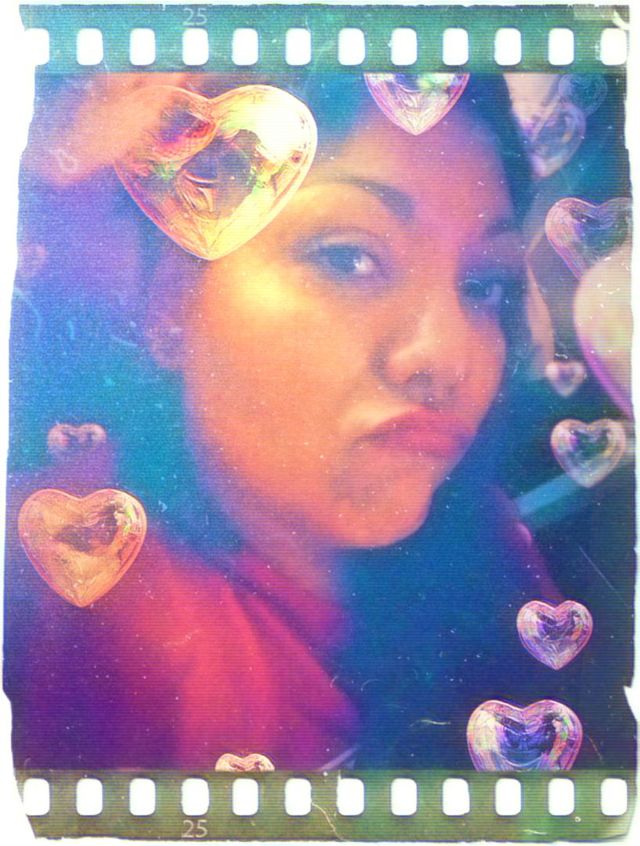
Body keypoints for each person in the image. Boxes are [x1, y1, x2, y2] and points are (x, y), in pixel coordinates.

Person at [4, 72, 631, 772]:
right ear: (172, 300)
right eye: (348, 258)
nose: (446, 356)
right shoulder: (63, 595)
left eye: (484, 286)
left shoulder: (487, 541)